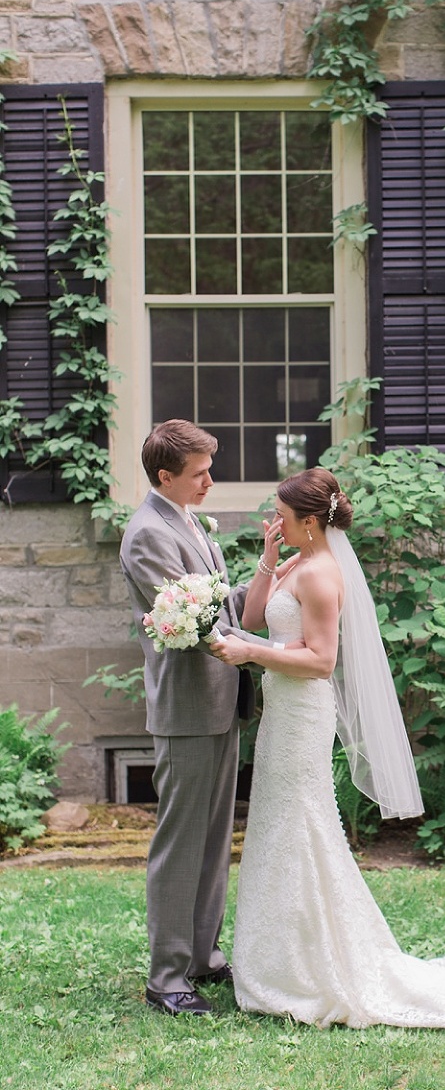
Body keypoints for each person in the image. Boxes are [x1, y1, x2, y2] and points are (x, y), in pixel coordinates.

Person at [210, 466, 445, 1029]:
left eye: (283, 517)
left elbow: (320, 662)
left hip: (302, 715)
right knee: (278, 822)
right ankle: (281, 958)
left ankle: (308, 967)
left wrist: (253, 656)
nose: (275, 521)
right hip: (281, 715)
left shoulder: (322, 575)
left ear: (311, 521)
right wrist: (268, 557)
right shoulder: (296, 561)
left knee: (300, 823)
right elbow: (249, 619)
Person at [120, 419, 274, 1017]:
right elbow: (187, 620)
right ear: (166, 477)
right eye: (200, 473)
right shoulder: (145, 534)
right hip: (186, 706)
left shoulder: (187, 520)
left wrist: (266, 567)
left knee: (213, 842)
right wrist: (266, 654)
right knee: (181, 844)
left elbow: (215, 603)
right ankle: (166, 977)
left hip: (219, 702)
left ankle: (202, 956)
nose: (211, 481)